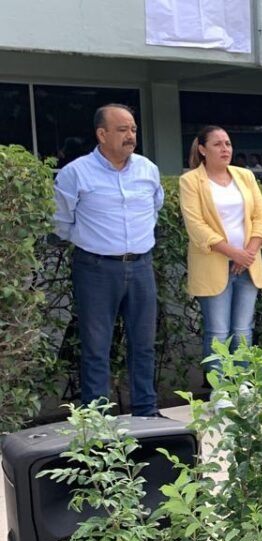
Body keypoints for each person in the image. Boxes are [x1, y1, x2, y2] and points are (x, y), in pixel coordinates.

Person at [53, 103, 164, 416]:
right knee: (96, 347)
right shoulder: (76, 173)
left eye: (133, 129)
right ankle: (98, 418)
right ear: (101, 134)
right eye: (122, 130)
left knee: (143, 344)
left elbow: (155, 209)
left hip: (141, 265)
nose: (130, 136)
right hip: (96, 269)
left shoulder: (148, 170)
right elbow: (62, 221)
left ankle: (146, 411)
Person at [179, 125, 262, 373]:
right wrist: (234, 253)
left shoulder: (245, 176)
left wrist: (248, 253)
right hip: (214, 265)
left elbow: (260, 217)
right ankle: (220, 391)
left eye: (228, 143)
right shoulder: (190, 181)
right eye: (218, 144)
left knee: (243, 330)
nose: (225, 148)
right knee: (218, 331)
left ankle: (241, 386)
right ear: (202, 149)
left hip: (247, 265)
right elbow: (196, 227)